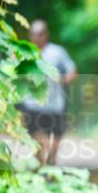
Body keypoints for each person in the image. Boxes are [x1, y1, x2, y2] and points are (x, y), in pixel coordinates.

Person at [18, 20, 76, 165]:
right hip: (32, 105)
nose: (36, 38)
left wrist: (63, 80)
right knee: (37, 141)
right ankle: (40, 168)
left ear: (46, 35)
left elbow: (72, 71)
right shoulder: (24, 52)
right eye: (33, 34)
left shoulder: (57, 52)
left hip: (55, 105)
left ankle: (50, 165)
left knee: (54, 143)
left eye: (39, 34)